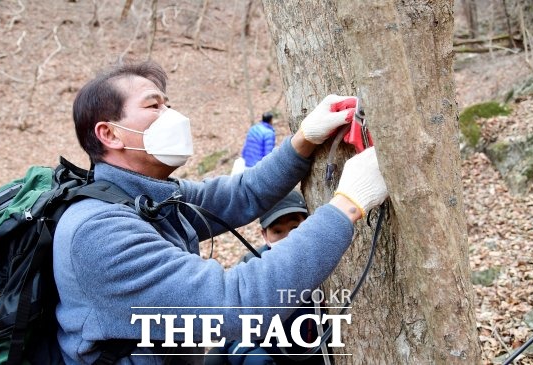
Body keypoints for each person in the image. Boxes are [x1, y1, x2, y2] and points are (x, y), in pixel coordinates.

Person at [53, 59, 388, 364]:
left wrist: (302, 140)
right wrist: (346, 205)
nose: (172, 116)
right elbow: (237, 304)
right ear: (108, 133)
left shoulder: (148, 198)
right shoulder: (100, 231)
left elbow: (243, 194)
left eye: (169, 104)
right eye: (154, 105)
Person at [206, 191, 331, 365]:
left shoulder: (327, 262)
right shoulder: (251, 266)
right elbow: (231, 324)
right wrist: (255, 358)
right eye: (278, 231)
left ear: (308, 224)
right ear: (265, 236)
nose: (289, 238)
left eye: (295, 227)